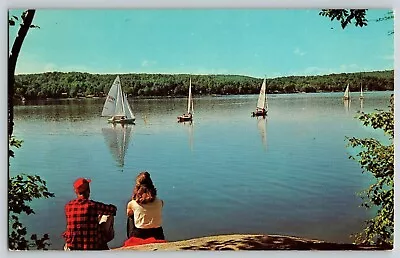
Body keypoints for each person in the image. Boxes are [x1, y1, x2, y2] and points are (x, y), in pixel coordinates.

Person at [62, 178, 117, 250]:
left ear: (76, 191)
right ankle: (103, 244)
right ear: (88, 191)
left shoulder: (68, 206)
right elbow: (112, 210)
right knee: (108, 215)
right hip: (92, 245)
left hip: (73, 245)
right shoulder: (93, 205)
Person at [126, 171, 165, 240]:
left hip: (140, 234)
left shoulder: (132, 203)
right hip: (157, 233)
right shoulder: (160, 202)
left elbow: (129, 214)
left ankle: (131, 238)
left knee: (130, 216)